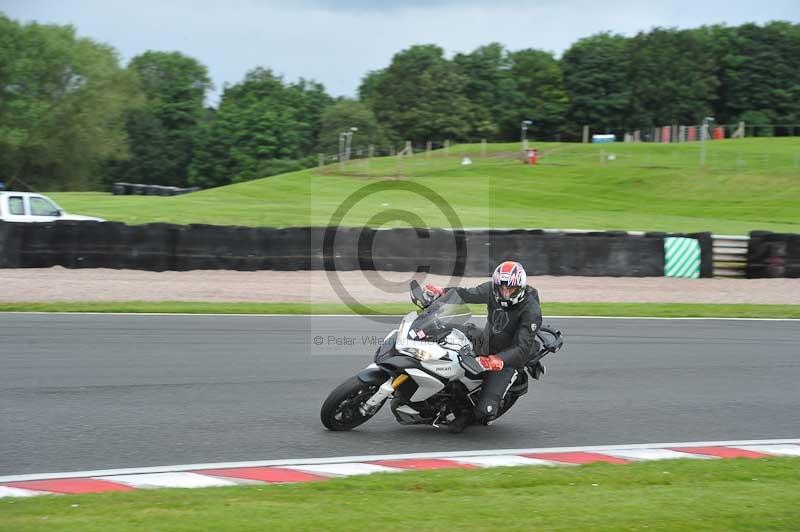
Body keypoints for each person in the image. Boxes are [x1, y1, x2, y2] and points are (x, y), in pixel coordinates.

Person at [423, 260, 543, 432]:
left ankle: (467, 414)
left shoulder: (531, 311)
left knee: (484, 411)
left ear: (520, 287)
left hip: (508, 357)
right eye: (501, 288)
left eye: (510, 289)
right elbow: (466, 294)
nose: (505, 293)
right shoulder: (492, 290)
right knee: (442, 331)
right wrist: (443, 292)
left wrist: (497, 360)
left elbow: (522, 348)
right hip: (486, 340)